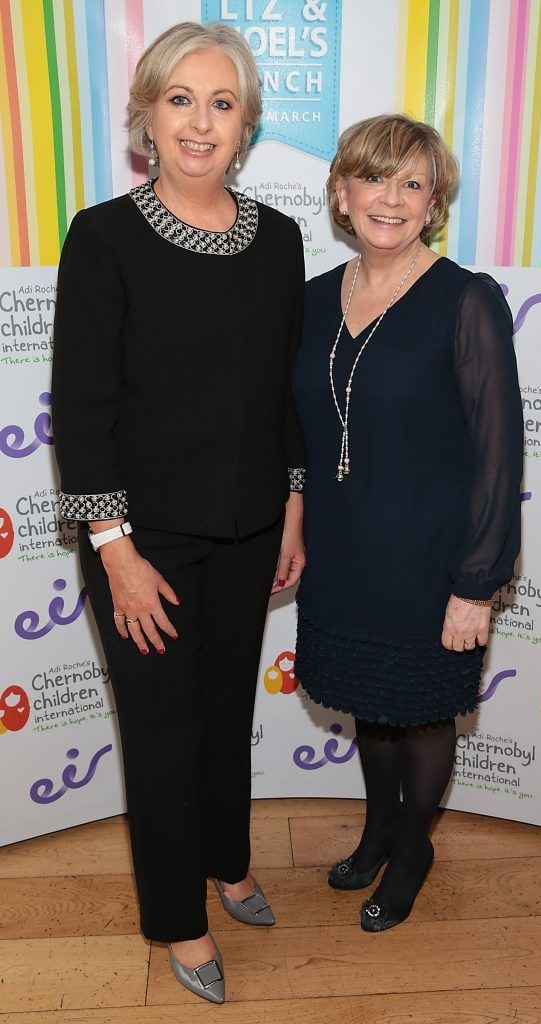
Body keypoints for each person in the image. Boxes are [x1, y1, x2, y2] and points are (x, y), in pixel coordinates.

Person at [52, 21, 306, 1003]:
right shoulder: (103, 237)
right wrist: (113, 551)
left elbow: (281, 392)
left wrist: (290, 506)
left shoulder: (279, 239)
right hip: (142, 540)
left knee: (222, 714)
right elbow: (83, 407)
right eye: (181, 99)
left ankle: (230, 860)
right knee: (161, 734)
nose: (200, 121)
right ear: (147, 116)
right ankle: (178, 917)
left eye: (223, 102)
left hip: (249, 529)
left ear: (244, 126)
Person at [292, 114, 522, 932]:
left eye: (412, 183)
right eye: (373, 178)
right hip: (341, 552)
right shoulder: (314, 299)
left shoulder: (465, 300)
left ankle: (413, 847)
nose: (389, 198)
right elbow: (295, 433)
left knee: (420, 713)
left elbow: (500, 454)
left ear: (433, 204)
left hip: (430, 559)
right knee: (368, 705)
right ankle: (379, 828)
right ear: (342, 193)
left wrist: (477, 585)